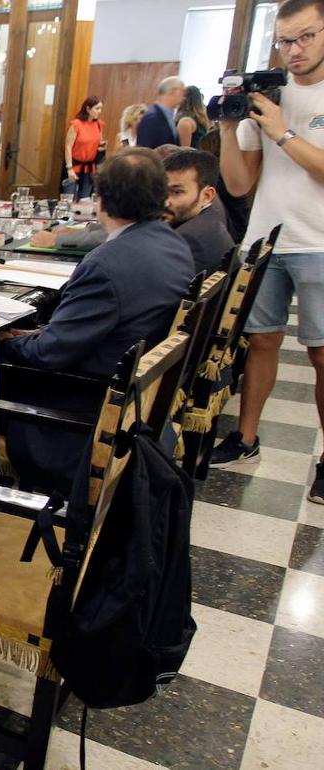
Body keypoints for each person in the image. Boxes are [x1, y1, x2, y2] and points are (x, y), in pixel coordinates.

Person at [0, 149, 194, 493]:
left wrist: (10, 341)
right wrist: (38, 334)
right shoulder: (174, 245)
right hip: (135, 398)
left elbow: (50, 354)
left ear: (100, 200)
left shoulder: (105, 264)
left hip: (88, 412)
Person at [211, 0, 324, 504]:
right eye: (284, 41)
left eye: (305, 38)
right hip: (266, 238)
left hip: (318, 240)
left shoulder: (293, 105)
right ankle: (247, 438)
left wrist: (281, 128)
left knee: (323, 355)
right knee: (259, 343)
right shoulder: (267, 97)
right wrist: (228, 128)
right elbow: (237, 184)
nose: (294, 51)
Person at [163, 148, 234, 276]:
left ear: (207, 195)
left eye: (176, 192)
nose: (165, 202)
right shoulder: (211, 220)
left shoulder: (187, 238)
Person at [63, 96, 106, 198]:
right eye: (97, 108)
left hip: (90, 167)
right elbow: (68, 147)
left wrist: (102, 146)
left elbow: (99, 142)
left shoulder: (99, 124)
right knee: (68, 197)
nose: (99, 111)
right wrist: (69, 168)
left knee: (85, 199)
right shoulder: (76, 124)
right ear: (88, 109)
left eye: (100, 109)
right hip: (74, 165)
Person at [137, 76, 186, 148]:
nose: (184, 97)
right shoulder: (152, 117)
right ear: (172, 91)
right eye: (182, 92)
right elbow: (145, 149)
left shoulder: (169, 116)